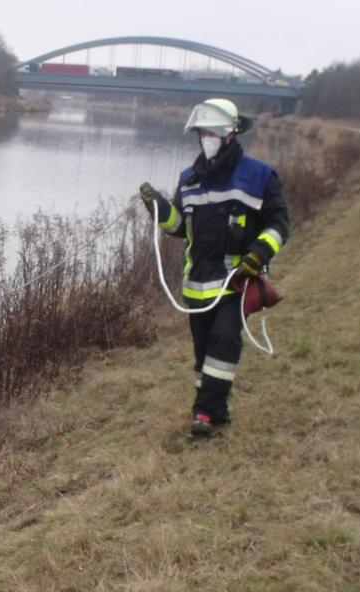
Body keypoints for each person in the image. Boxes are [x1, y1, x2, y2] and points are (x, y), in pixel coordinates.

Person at [139, 99, 291, 437]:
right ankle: (215, 409)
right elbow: (178, 226)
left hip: (236, 283)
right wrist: (158, 206)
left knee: (225, 340)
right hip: (197, 287)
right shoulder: (190, 179)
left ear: (231, 133)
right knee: (204, 351)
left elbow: (279, 224)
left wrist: (257, 255)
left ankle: (204, 415)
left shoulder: (259, 176)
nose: (206, 137)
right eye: (202, 132)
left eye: (212, 131)